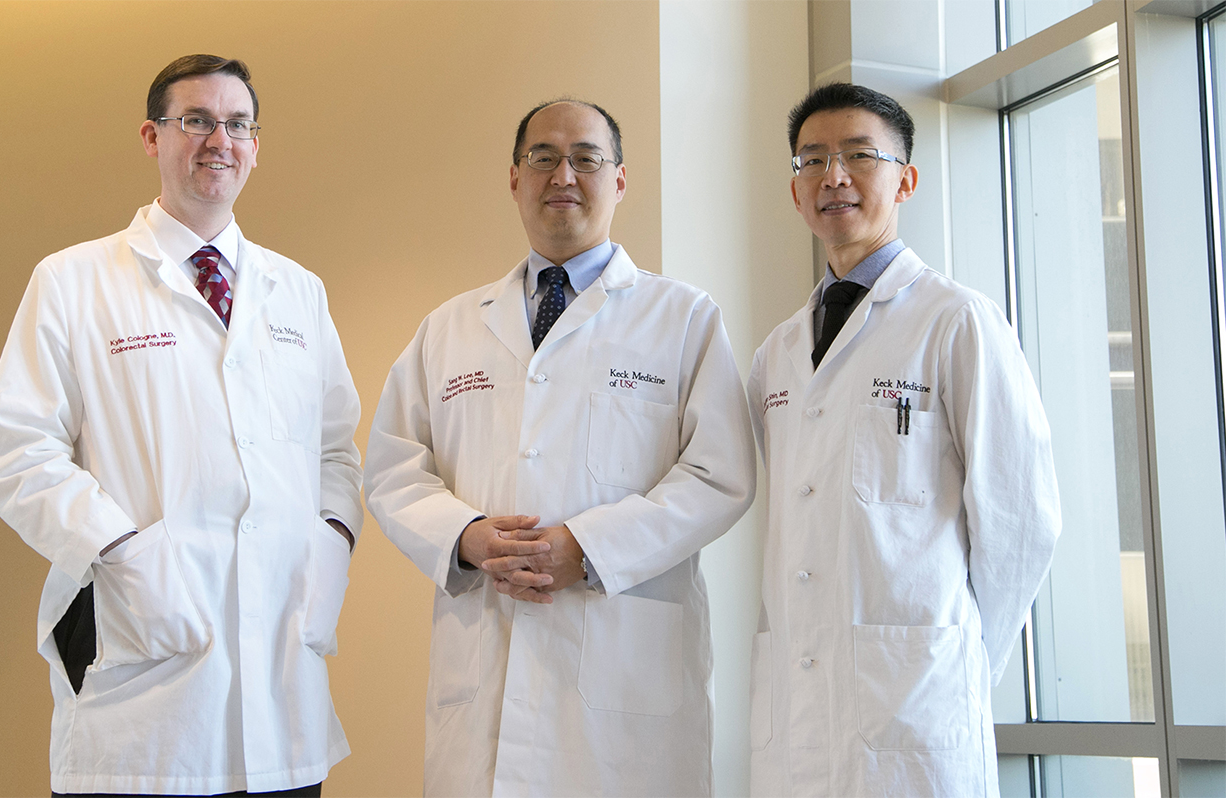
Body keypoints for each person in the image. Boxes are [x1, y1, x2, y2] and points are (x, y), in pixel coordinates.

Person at [0, 54, 362, 797]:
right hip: (144, 687)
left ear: (255, 144)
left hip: (281, 690)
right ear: (152, 138)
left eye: (238, 124)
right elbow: (15, 451)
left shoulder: (298, 292)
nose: (220, 139)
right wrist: (124, 555)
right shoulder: (75, 280)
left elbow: (336, 453)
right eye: (197, 121)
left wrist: (331, 548)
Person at [362, 99, 757, 797]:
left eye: (586, 157)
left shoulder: (684, 319)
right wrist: (465, 537)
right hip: (483, 666)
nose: (563, 174)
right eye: (542, 157)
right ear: (514, 179)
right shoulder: (449, 328)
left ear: (621, 180)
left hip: (623, 684)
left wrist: (594, 547)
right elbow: (393, 468)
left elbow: (718, 474)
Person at [745, 82, 1061, 797]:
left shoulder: (958, 322)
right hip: (800, 713)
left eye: (860, 155)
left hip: (918, 703)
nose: (834, 176)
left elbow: (1021, 522)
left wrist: (957, 657)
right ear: (796, 191)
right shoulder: (779, 352)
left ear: (906, 179)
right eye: (812, 160)